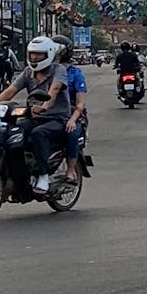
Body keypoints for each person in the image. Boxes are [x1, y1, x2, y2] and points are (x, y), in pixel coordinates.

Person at [0, 36, 70, 195]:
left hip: (57, 118)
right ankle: (18, 173)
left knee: (38, 134)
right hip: (33, 116)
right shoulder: (28, 72)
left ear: (48, 54)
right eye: (32, 54)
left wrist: (44, 106)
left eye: (39, 55)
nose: (34, 58)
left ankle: (43, 176)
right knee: (12, 131)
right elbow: (11, 91)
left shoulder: (58, 70)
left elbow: (54, 90)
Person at [52, 35, 87, 183]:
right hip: (47, 113)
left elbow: (80, 103)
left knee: (71, 133)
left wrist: (73, 118)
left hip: (73, 115)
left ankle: (71, 170)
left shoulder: (75, 73)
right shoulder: (44, 71)